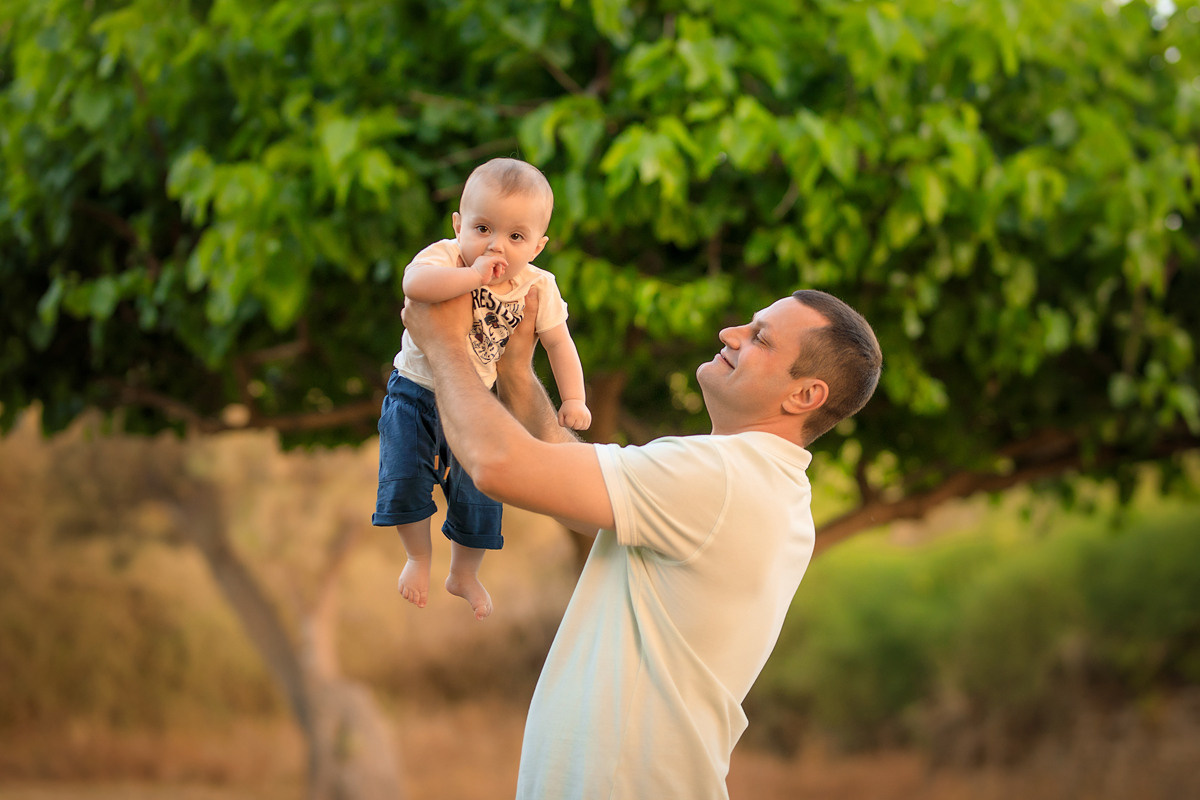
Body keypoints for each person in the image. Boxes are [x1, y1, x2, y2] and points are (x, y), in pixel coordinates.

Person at [400, 285, 882, 799]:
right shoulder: (765, 486)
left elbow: (498, 464)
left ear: (804, 395)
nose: (731, 334)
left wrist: (444, 344)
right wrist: (518, 369)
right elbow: (561, 467)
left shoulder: (721, 478)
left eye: (760, 338)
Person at [372, 157, 590, 621]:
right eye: (483, 228)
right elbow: (415, 284)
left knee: (480, 490)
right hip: (413, 390)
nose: (496, 246)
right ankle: (417, 557)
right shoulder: (447, 257)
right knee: (404, 478)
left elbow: (558, 343)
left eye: (516, 236)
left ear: (538, 245)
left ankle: (464, 572)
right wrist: (473, 277)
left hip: (475, 399)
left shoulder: (538, 285)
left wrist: (573, 399)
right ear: (458, 224)